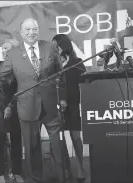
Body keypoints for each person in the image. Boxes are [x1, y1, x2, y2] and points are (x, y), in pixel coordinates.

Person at [0, 18, 68, 183]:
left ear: (38, 30)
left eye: (34, 29)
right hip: (27, 106)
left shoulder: (50, 47)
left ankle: (62, 178)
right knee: (32, 147)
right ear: (21, 33)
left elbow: (60, 74)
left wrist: (63, 98)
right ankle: (35, 179)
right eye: (27, 30)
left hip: (50, 105)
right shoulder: (13, 54)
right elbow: (0, 77)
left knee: (57, 146)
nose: (31, 33)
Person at [0, 39, 23, 183]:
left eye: (6, 48)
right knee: (0, 142)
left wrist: (10, 106)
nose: (3, 51)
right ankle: (0, 173)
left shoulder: (20, 67)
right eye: (2, 48)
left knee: (16, 141)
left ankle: (17, 172)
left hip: (15, 107)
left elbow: (20, 90)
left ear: (14, 50)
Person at [52, 34, 86, 183]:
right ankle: (64, 169)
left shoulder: (77, 62)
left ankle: (81, 166)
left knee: (76, 137)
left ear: (63, 46)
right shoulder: (51, 63)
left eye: (56, 45)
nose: (53, 48)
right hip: (55, 104)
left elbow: (84, 81)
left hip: (72, 105)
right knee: (59, 140)